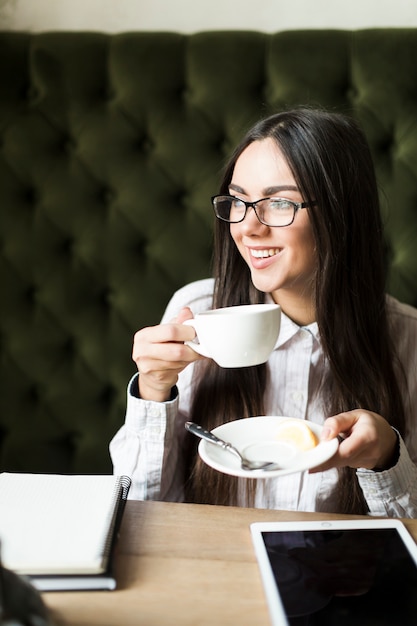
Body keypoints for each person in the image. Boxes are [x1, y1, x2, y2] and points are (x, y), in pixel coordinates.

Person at [110, 108, 417, 517]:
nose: (248, 228)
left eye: (278, 203)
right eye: (238, 201)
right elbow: (137, 510)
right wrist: (153, 389)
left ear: (341, 213)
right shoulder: (197, 314)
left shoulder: (408, 341)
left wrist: (386, 458)